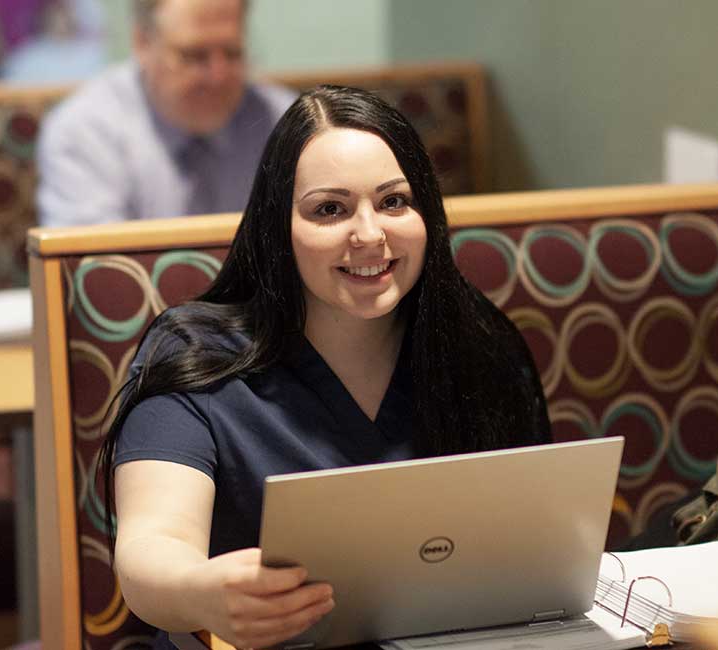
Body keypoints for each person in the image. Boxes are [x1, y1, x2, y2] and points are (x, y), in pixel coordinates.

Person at [101, 86, 551, 649]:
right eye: (329, 210)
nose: (369, 234)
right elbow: (151, 547)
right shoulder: (196, 354)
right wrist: (201, 591)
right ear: (278, 229)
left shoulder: (480, 344)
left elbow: (536, 544)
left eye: (393, 202)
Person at [36, 0, 296, 227]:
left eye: (232, 53)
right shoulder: (84, 132)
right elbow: (95, 272)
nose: (218, 77)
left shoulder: (282, 123)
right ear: (142, 43)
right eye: (194, 56)